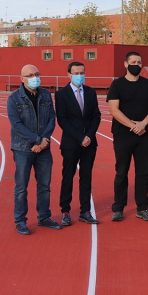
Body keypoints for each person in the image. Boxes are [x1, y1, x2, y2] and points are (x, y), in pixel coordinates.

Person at [7, 64, 61, 235]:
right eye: (30, 75)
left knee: (44, 185)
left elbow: (52, 118)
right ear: (22, 79)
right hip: (23, 149)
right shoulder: (14, 98)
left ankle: (44, 216)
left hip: (44, 148)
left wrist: (44, 140)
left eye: (36, 74)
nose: (34, 77)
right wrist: (37, 140)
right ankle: (20, 221)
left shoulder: (45, 94)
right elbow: (16, 125)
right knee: (22, 187)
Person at [107, 51, 148, 222]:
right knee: (121, 171)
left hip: (144, 135)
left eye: (139, 62)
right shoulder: (117, 85)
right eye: (133, 62)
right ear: (125, 64)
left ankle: (142, 208)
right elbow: (114, 110)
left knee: (143, 173)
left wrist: (143, 124)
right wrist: (133, 126)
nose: (136, 65)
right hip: (123, 135)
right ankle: (118, 208)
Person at [55, 61, 101, 226]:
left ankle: (85, 211)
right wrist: (79, 138)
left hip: (89, 143)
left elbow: (96, 116)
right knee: (68, 176)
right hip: (71, 143)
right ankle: (65, 211)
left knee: (86, 177)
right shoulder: (61, 94)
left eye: (82, 73)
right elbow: (63, 120)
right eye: (76, 73)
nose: (79, 76)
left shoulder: (90, 92)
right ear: (69, 74)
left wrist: (88, 136)